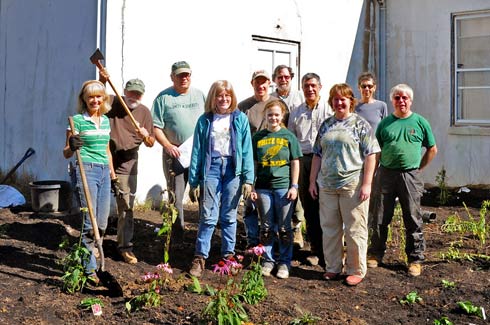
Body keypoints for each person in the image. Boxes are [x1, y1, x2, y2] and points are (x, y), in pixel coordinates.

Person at [309, 83, 379, 286]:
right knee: (330, 228)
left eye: (343, 99)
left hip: (352, 185)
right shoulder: (326, 125)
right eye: (336, 99)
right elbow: (317, 154)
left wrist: (367, 184)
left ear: (350, 101)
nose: (339, 102)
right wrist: (312, 181)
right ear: (331, 102)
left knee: (354, 229)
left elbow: (371, 155)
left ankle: (356, 269)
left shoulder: (360, 124)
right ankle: (333, 267)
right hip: (328, 186)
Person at [367, 84, 437, 277]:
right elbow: (377, 151)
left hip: (410, 175)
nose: (401, 101)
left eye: (405, 97)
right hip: (386, 175)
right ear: (392, 101)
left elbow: (432, 149)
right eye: (397, 98)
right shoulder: (385, 124)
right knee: (379, 216)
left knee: (413, 218)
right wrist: (373, 175)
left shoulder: (420, 122)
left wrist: (418, 168)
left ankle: (415, 259)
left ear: (411, 100)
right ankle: (375, 253)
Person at [187, 80, 254, 277]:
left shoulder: (239, 119)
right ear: (213, 98)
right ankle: (200, 258)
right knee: (208, 216)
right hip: (212, 169)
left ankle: (228, 257)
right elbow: (197, 151)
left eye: (227, 95)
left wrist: (248, 179)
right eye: (219, 95)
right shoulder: (205, 120)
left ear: (232, 98)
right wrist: (194, 181)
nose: (223, 99)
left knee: (229, 216)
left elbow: (247, 149)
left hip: (233, 170)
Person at [63, 80, 116, 285]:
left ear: (103, 99)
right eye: (91, 96)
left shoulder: (105, 121)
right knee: (89, 223)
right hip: (86, 169)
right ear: (84, 99)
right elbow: (66, 152)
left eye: (98, 96)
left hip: (103, 171)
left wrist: (113, 176)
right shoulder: (77, 121)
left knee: (101, 223)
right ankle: (89, 268)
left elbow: (107, 151)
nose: (95, 100)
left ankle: (87, 257)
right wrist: (72, 145)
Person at [152, 61, 205, 243]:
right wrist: (168, 146)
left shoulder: (200, 96)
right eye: (180, 75)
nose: (184, 78)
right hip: (175, 153)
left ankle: (203, 235)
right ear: (172, 77)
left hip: (198, 153)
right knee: (176, 196)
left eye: (187, 75)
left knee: (203, 194)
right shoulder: (163, 98)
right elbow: (156, 127)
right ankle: (177, 236)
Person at [105, 78, 155, 264]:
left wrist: (145, 136)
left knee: (126, 207)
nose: (134, 96)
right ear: (124, 90)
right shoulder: (112, 101)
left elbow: (151, 143)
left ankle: (124, 246)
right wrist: (102, 77)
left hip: (128, 164)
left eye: (138, 94)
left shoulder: (144, 112)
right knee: (98, 206)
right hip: (104, 159)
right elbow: (95, 96)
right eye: (131, 92)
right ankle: (93, 245)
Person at [251, 99, 302, 279]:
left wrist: (294, 186)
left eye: (276, 115)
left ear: (282, 117)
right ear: (265, 116)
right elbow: (254, 164)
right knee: (266, 226)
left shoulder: (289, 137)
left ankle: (285, 262)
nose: (273, 118)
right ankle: (268, 260)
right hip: (263, 188)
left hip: (283, 188)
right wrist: (252, 185)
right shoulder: (258, 138)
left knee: (284, 227)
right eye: (270, 114)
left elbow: (295, 162)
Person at [288, 73, 333, 266]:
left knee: (330, 206)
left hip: (327, 160)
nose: (310, 89)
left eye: (313, 85)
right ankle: (316, 248)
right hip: (304, 160)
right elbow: (290, 138)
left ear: (320, 87)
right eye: (306, 86)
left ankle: (332, 251)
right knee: (310, 206)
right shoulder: (296, 112)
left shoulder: (329, 109)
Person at [238, 69, 278, 248]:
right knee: (250, 204)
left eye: (264, 82)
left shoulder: (277, 104)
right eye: (257, 82)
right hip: (251, 162)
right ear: (252, 83)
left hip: (273, 163)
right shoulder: (244, 107)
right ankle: (252, 241)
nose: (261, 85)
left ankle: (270, 242)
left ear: (269, 83)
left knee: (271, 205)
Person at [354, 72, 388, 267]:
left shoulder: (381, 106)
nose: (366, 89)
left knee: (373, 200)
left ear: (374, 87)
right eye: (363, 86)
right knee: (358, 197)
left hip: (375, 158)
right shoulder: (355, 107)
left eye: (369, 86)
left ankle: (370, 240)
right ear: (359, 87)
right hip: (357, 160)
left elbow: (382, 133)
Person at [272, 65, 306, 248]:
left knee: (296, 191)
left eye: (286, 76)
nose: (283, 80)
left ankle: (297, 229)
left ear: (291, 78)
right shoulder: (272, 98)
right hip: (277, 150)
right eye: (280, 77)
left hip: (296, 148)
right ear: (275, 79)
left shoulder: (299, 96)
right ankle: (279, 231)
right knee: (280, 191)